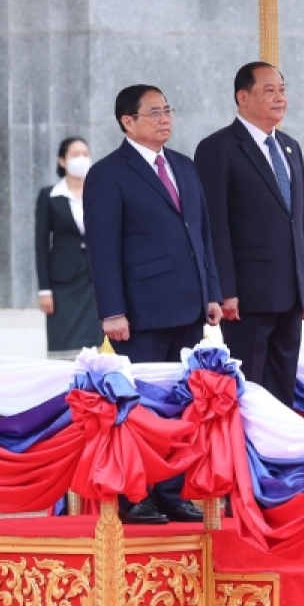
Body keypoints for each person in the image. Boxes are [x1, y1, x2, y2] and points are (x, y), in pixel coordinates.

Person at [84, 84, 223, 525]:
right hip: (139, 313)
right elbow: (102, 249)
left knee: (177, 405)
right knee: (139, 406)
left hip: (187, 307)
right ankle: (134, 493)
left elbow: (201, 237)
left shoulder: (183, 165)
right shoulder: (109, 173)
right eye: (154, 113)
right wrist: (112, 310)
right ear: (128, 122)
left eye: (168, 111)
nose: (166, 119)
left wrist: (211, 293)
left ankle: (169, 491)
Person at [195, 62, 304, 408]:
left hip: (291, 293)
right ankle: (248, 457)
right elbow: (214, 225)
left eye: (282, 89)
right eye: (269, 90)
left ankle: (278, 455)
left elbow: (300, 222)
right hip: (246, 297)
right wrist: (225, 291)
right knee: (250, 388)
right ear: (242, 97)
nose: (280, 97)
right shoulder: (217, 148)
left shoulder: (290, 147)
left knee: (283, 386)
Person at [35, 137, 102, 359]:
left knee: (95, 343)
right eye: (75, 154)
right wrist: (45, 290)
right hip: (63, 282)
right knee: (63, 339)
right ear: (62, 161)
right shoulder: (49, 196)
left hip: (95, 279)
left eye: (85, 153)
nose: (81, 159)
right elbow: (41, 244)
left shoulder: (101, 192)